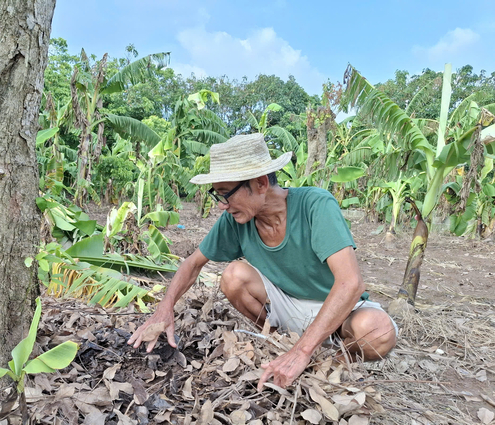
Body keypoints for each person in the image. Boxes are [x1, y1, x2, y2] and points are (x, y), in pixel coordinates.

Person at [127, 133, 397, 390]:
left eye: (226, 194)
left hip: (337, 308)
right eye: (217, 195)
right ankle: (279, 344)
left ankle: (327, 361)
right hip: (287, 304)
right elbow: (193, 264)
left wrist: (303, 351)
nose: (222, 205)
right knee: (233, 276)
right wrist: (164, 309)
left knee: (377, 332)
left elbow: (350, 283)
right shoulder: (234, 221)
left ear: (260, 184)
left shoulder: (316, 205)